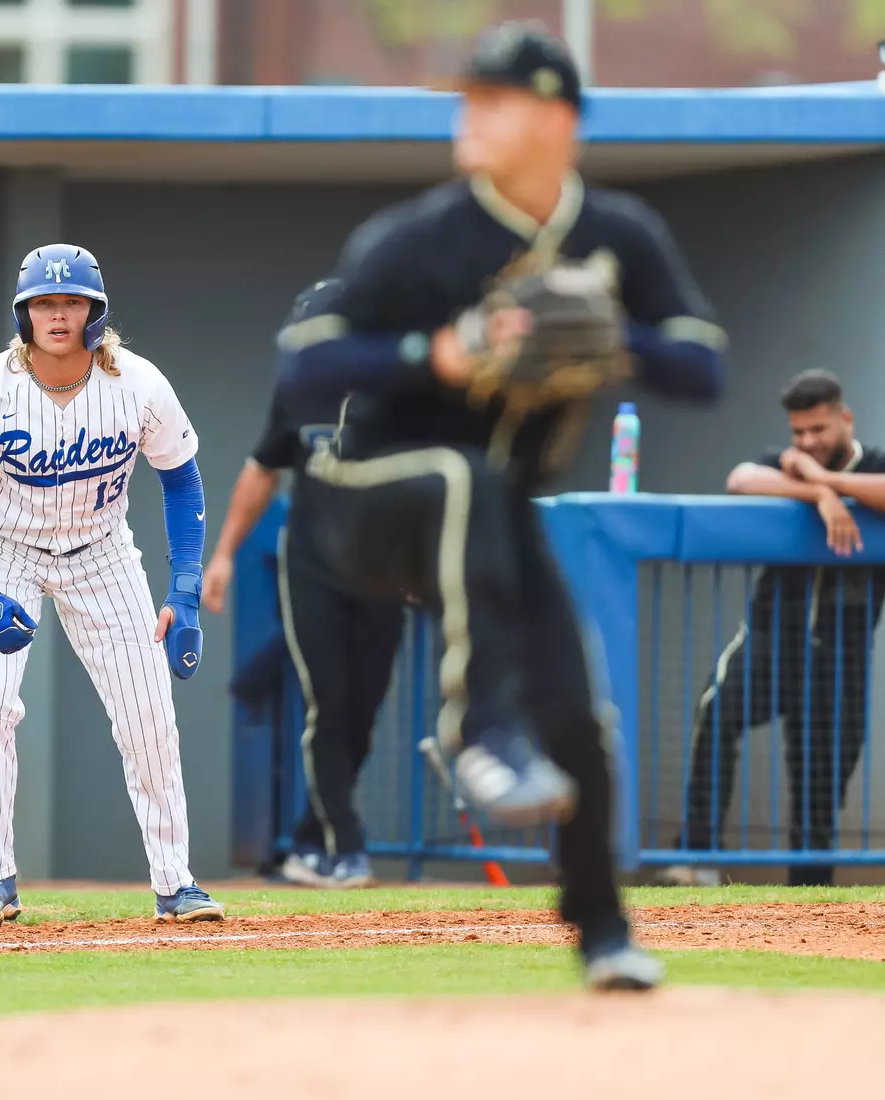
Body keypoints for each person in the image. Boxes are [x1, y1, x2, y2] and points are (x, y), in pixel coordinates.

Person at [274, 22, 725, 990]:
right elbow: (304, 363)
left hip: (491, 514)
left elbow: (704, 363)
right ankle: (480, 732)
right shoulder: (420, 237)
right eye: (464, 99)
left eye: (493, 100)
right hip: (364, 496)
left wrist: (620, 339)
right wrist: (428, 353)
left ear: (557, 117)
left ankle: (601, 927)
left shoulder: (616, 234)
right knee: (462, 477)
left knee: (576, 715)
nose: (466, 117)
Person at [0, 243, 224, 927]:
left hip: (102, 552)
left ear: (95, 312)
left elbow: (180, 478)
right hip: (1, 549)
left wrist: (182, 592)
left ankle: (175, 883)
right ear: (22, 314)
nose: (56, 314)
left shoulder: (138, 383)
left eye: (70, 302)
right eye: (42, 303)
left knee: (147, 716)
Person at [660, 370, 885, 888]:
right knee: (715, 713)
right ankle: (696, 859)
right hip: (770, 637)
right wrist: (816, 496)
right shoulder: (783, 463)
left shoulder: (869, 465)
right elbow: (741, 480)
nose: (807, 442)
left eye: (819, 430)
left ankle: (809, 900)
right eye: (798, 433)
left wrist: (825, 481)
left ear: (845, 418)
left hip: (840, 654)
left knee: (820, 784)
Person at [206, 390, 403, 888]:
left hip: (384, 569)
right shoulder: (302, 390)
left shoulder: (403, 387)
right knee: (330, 703)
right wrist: (225, 553)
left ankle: (309, 840)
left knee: (362, 715)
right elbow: (261, 469)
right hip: (315, 568)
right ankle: (347, 848)